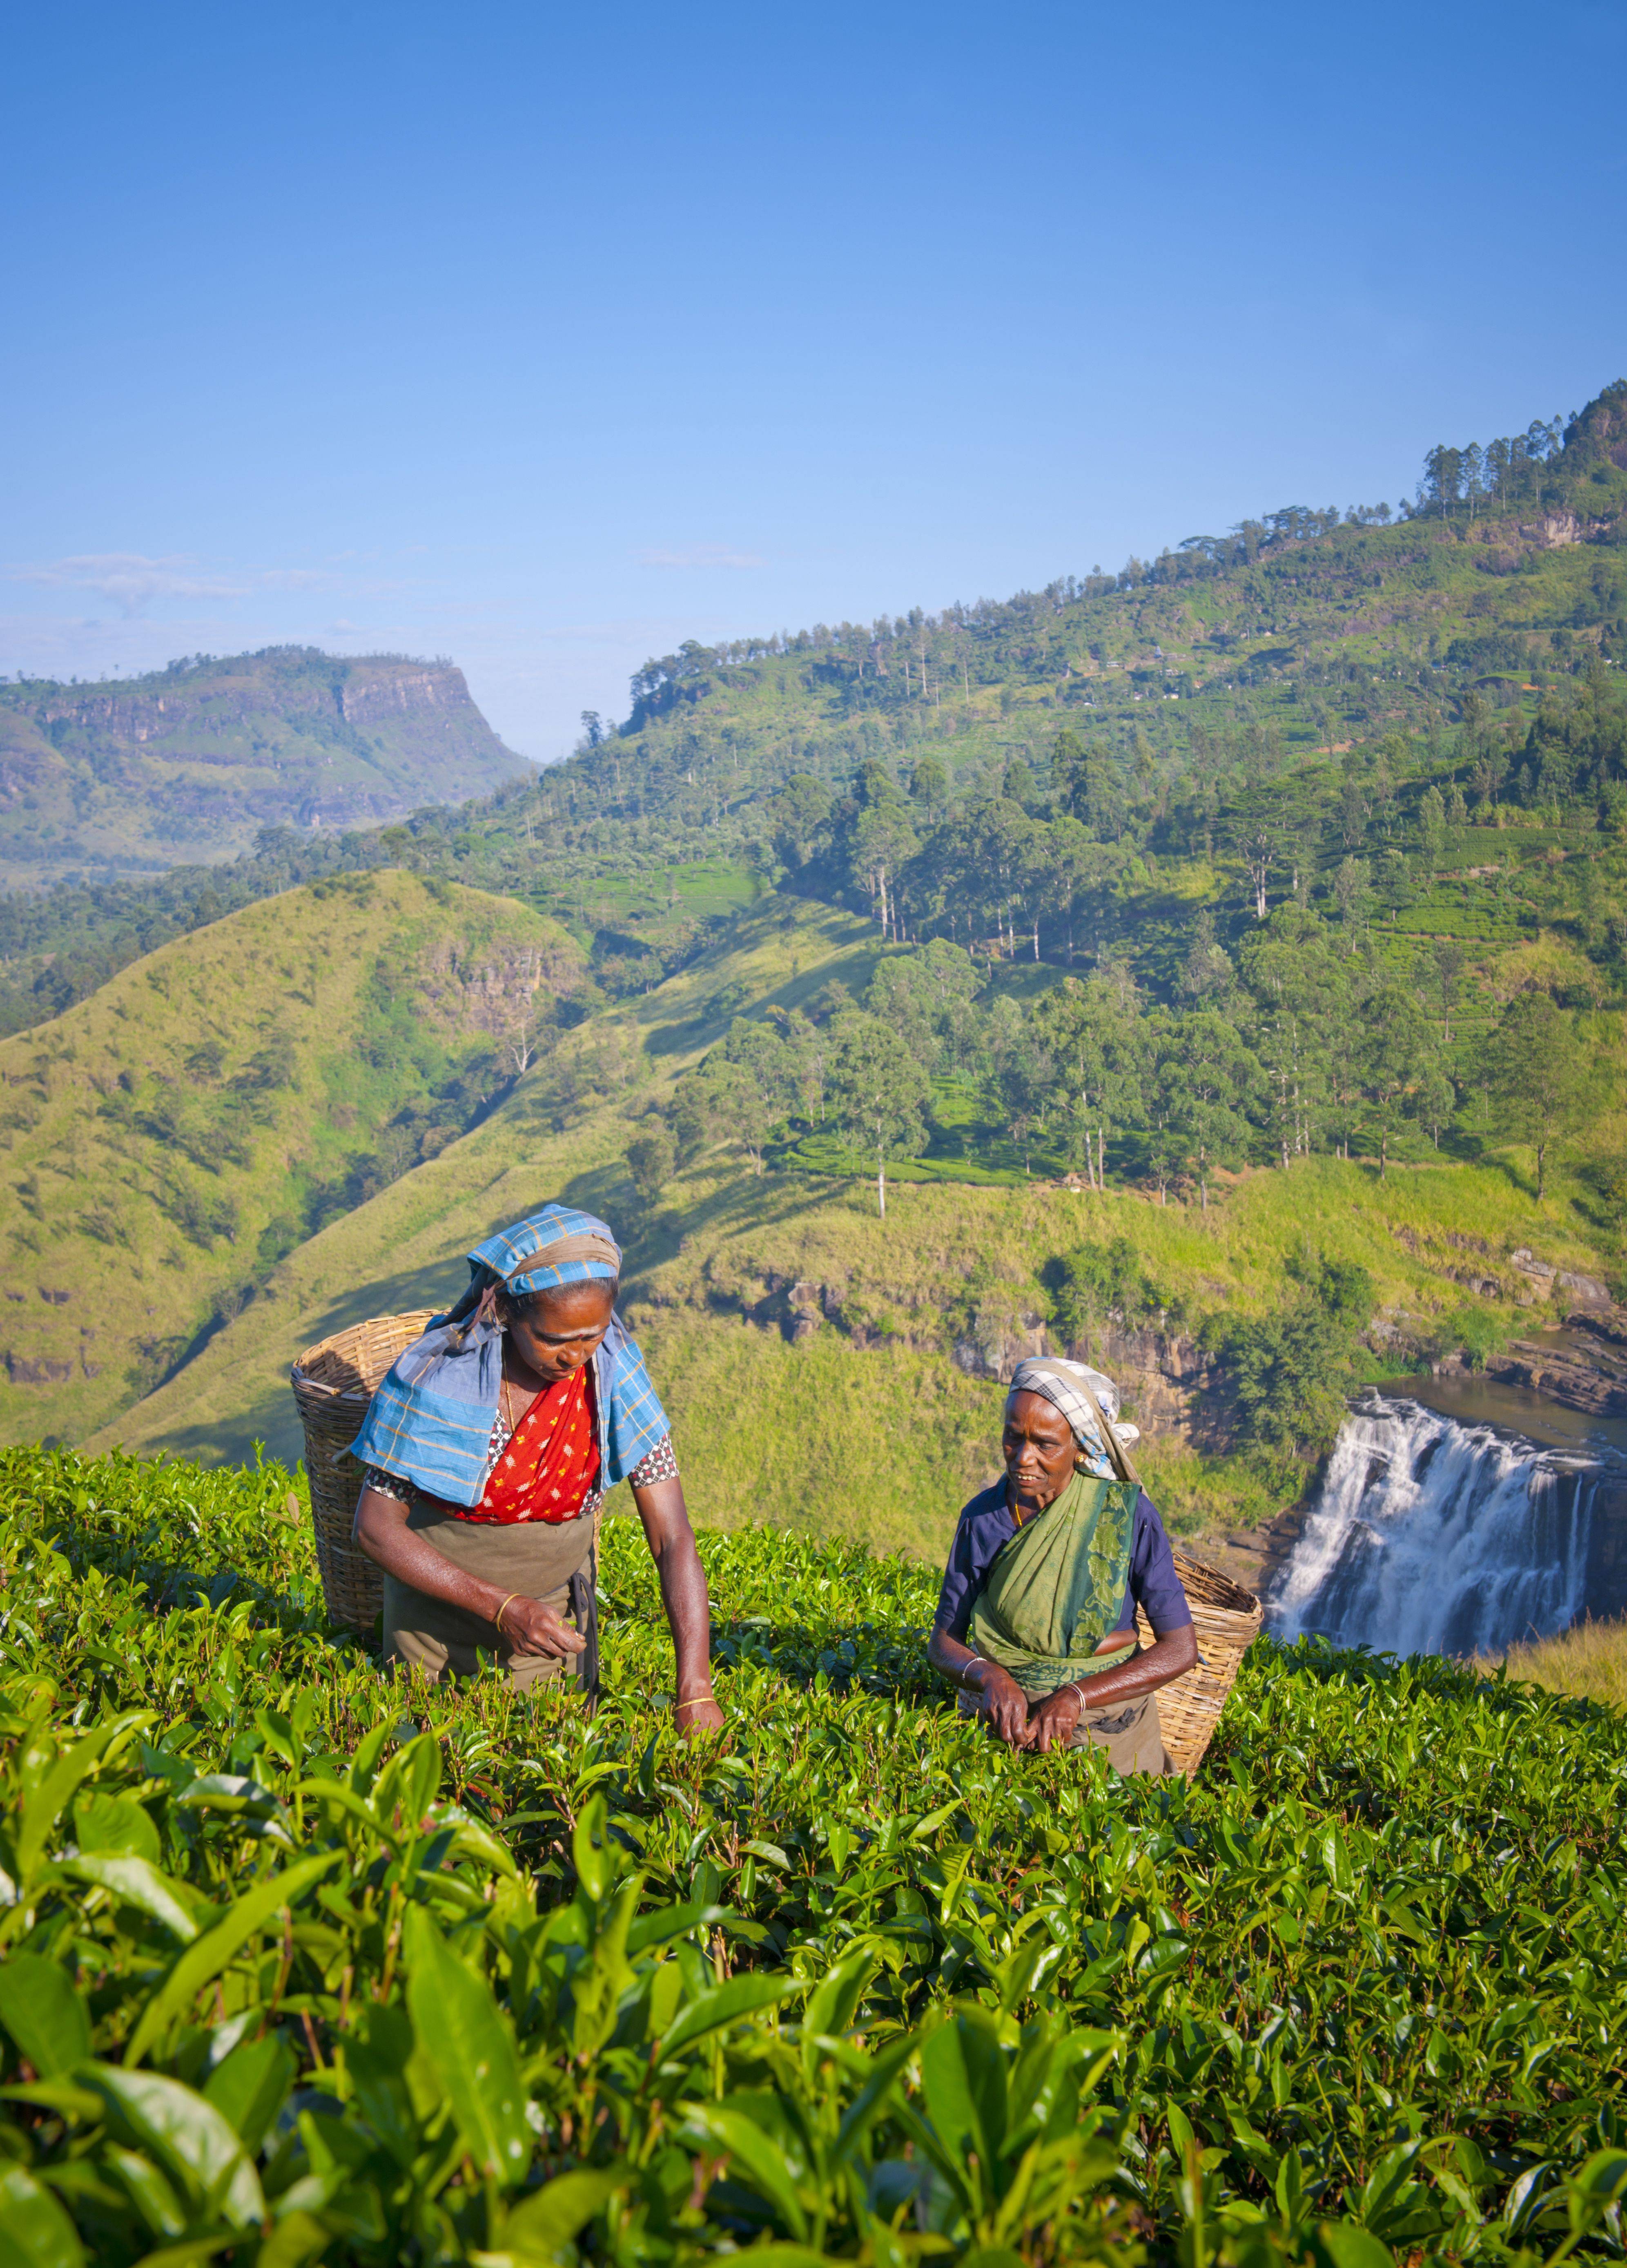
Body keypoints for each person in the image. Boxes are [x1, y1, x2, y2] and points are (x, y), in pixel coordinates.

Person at [348, 1203, 724, 1737]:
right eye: (553, 1339)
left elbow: (673, 1537)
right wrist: (500, 1607)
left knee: (549, 1786)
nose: (574, 1357)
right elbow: (374, 1528)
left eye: (591, 1334)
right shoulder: (441, 1381)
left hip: (551, 1631)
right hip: (433, 1634)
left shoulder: (614, 1378)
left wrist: (695, 1687)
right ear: (505, 1313)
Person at [926, 1355, 1197, 1775]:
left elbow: (1180, 1649)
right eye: (1013, 1438)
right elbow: (944, 1643)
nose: (1022, 1457)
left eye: (1045, 1443)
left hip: (1109, 1727)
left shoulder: (1126, 1517)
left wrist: (1077, 1696)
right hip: (1004, 1728)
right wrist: (991, 1677)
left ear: (1080, 1447)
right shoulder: (983, 1518)